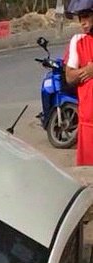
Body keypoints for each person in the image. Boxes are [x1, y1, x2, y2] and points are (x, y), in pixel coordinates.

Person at [66, 0, 93, 165]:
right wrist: (87, 71)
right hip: (88, 124)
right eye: (80, 18)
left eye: (86, 17)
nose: (82, 22)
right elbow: (69, 76)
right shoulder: (77, 41)